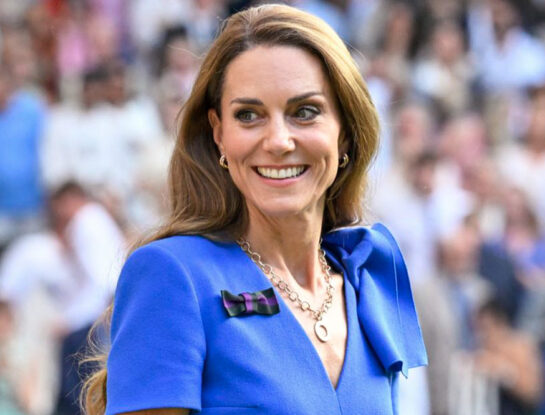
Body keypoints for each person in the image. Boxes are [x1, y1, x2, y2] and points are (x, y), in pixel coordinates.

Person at [82, 5, 427, 415]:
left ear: (346, 133)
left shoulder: (366, 278)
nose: (278, 141)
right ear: (219, 134)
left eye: (305, 112)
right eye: (249, 115)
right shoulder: (172, 275)